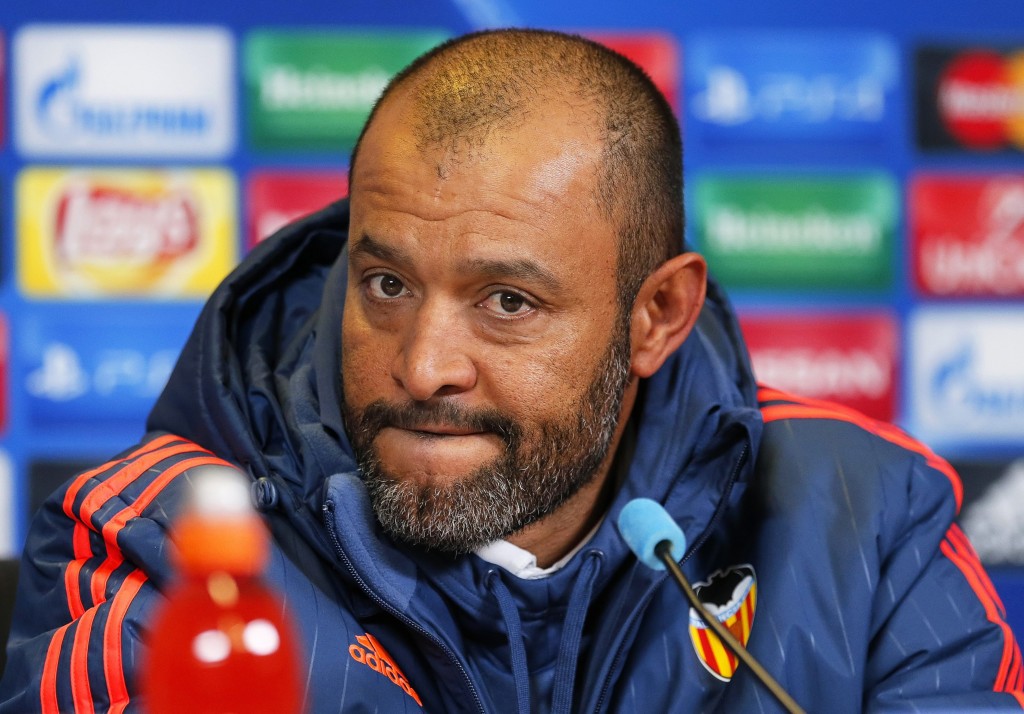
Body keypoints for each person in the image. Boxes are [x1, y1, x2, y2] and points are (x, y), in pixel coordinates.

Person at [2, 28, 1022, 713]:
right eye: (387, 285)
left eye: (507, 303)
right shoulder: (163, 551)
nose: (424, 367)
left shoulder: (868, 520)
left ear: (656, 316)